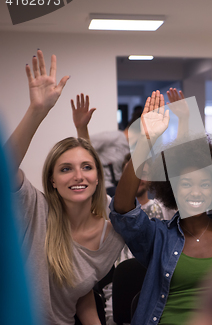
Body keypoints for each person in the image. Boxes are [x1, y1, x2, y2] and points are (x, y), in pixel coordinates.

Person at [110, 90, 212, 325]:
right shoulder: (158, 237)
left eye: (204, 184)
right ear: (172, 189)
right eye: (186, 184)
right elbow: (123, 209)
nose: (196, 191)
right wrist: (146, 141)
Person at [5, 49, 124, 325]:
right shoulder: (37, 209)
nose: (77, 177)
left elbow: (79, 291)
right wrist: (37, 111)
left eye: (86, 168)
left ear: (97, 178)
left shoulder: (112, 235)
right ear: (53, 182)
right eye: (65, 169)